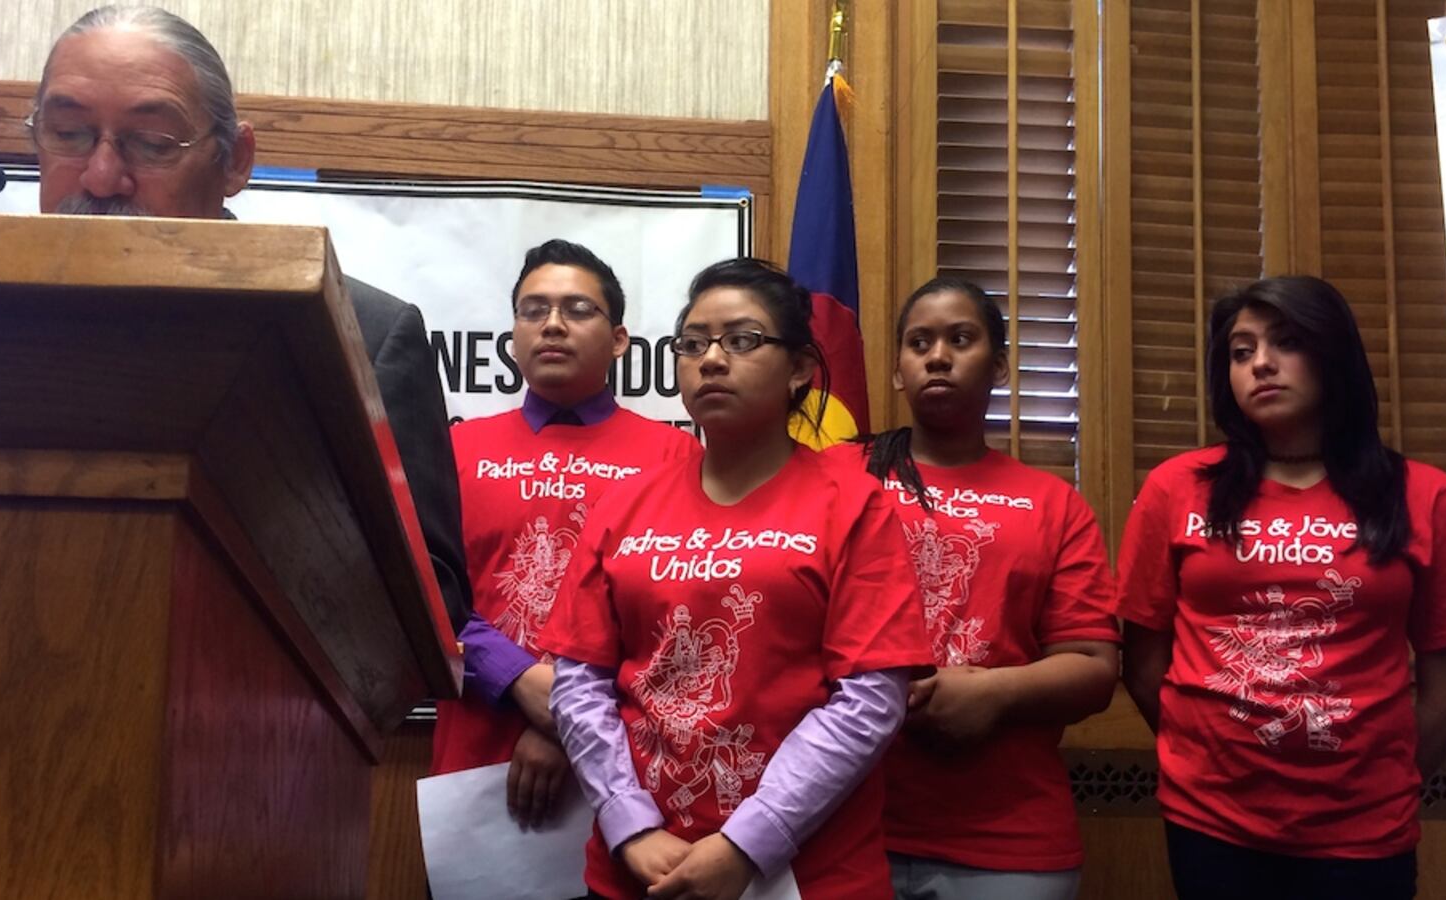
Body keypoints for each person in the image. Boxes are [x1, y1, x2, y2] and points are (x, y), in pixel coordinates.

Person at [28, 5, 470, 630]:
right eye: (69, 134)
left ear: (235, 159)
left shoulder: (364, 337)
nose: (101, 177)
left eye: (152, 144)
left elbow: (430, 606)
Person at [539, 257, 933, 900]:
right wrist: (628, 824)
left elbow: (870, 699)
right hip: (636, 870)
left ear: (800, 367)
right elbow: (580, 682)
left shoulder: (854, 504)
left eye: (742, 340)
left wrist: (748, 842)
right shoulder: (624, 504)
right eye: (693, 343)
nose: (712, 360)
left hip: (807, 875)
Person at [1114, 276, 1446, 900]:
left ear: (1333, 354)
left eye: (1287, 342)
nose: (1261, 363)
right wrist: (1203, 758)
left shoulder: (1427, 497)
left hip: (1366, 833)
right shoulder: (1177, 487)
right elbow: (1144, 663)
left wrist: (1375, 785)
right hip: (1211, 821)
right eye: (1241, 351)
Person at [827, 277, 1118, 900]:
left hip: (1006, 841)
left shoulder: (1053, 504)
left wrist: (994, 693)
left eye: (961, 339)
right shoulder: (838, 475)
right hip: (842, 828)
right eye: (919, 343)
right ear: (898, 371)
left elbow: (1095, 666)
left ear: (1000, 366)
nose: (938, 356)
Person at [434, 239, 698, 831]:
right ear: (513, 336)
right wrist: (516, 678)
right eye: (533, 310)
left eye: (578, 310)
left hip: (626, 767)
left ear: (620, 339)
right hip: (474, 760)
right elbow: (424, 589)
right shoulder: (455, 449)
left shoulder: (675, 456)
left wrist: (565, 722)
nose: (552, 324)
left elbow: (675, 613)